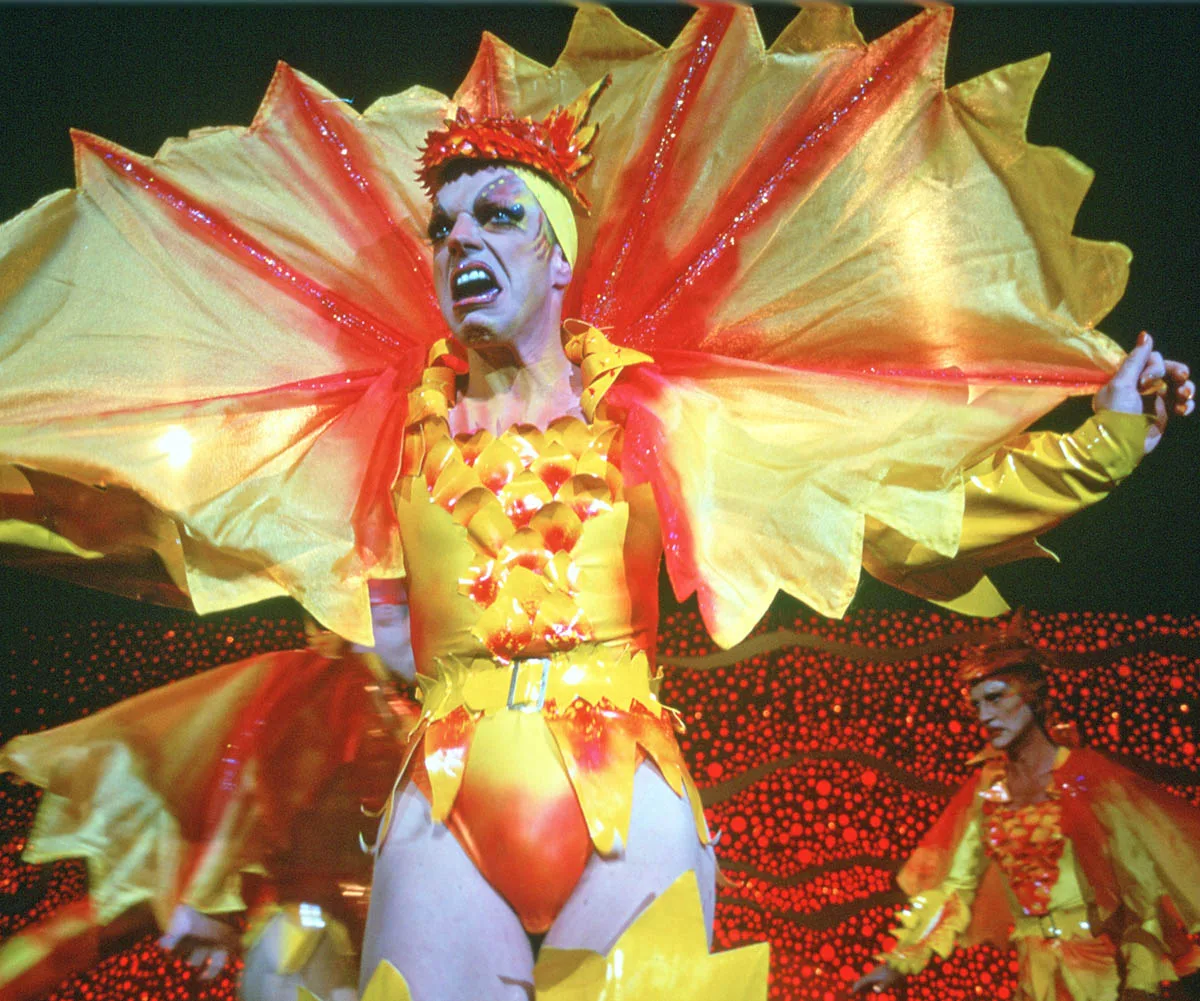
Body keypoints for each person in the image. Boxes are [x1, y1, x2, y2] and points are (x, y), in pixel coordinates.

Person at [0, 6, 1194, 999]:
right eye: (446, 222)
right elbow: (145, 516)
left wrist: (1107, 445)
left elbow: (903, 520)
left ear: (561, 255)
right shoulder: (385, 428)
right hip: (447, 795)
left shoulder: (657, 419)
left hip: (632, 794)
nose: (464, 235)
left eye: (499, 213)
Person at [0, 582, 418, 1001]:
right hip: (310, 931)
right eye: (393, 615)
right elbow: (250, 794)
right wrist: (186, 897)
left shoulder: (395, 707)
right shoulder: (322, 688)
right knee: (100, 924)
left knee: (103, 922)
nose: (413, 630)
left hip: (364, 929)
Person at [852, 624, 1200, 1001]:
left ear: (1032, 696)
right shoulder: (989, 790)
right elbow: (955, 889)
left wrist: (1140, 985)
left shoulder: (1089, 779)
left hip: (1099, 978)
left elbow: (1141, 898)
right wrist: (899, 961)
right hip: (1034, 979)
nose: (985, 715)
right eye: (977, 705)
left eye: (997, 698)